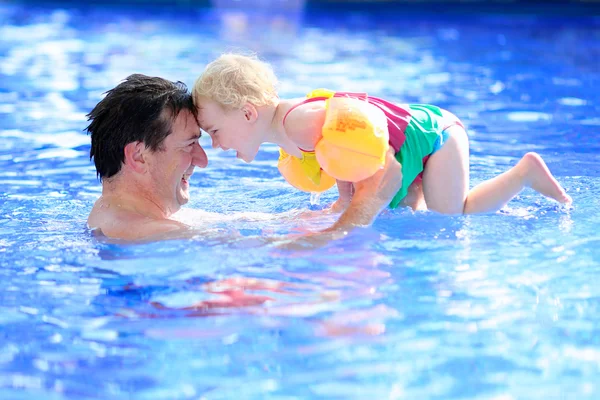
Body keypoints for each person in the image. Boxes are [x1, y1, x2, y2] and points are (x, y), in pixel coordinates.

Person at [192, 53, 572, 222]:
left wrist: (343, 207)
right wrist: (340, 205)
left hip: (433, 139)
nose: (215, 144)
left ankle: (523, 173)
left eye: (214, 131)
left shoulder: (298, 125)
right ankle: (505, 201)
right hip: (411, 142)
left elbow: (353, 144)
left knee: (451, 214)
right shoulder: (288, 127)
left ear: (247, 112)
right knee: (409, 214)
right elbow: (345, 156)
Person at [85, 74, 400, 241]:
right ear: (138, 156)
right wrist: (366, 206)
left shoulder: (135, 219)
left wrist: (341, 207)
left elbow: (264, 227)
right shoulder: (154, 234)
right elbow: (291, 255)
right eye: (190, 144)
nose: (203, 160)